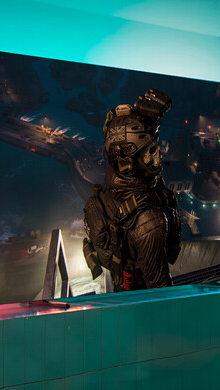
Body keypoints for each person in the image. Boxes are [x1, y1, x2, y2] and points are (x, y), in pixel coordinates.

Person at [83, 89, 181, 291]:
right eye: (151, 152)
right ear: (129, 162)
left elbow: (120, 138)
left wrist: (149, 117)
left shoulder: (117, 177)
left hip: (123, 283)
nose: (158, 157)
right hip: (140, 290)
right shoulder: (149, 223)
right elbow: (161, 290)